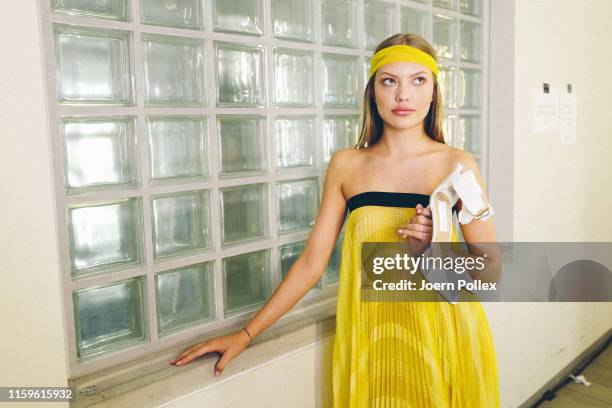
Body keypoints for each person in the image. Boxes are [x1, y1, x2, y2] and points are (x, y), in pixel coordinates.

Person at [170, 33, 500, 407]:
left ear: (433, 92)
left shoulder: (456, 164)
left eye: (418, 80)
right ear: (373, 91)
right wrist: (246, 334)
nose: (403, 95)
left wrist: (431, 252)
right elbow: (312, 263)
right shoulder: (347, 165)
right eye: (389, 81)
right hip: (373, 341)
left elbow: (489, 272)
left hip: (442, 334)